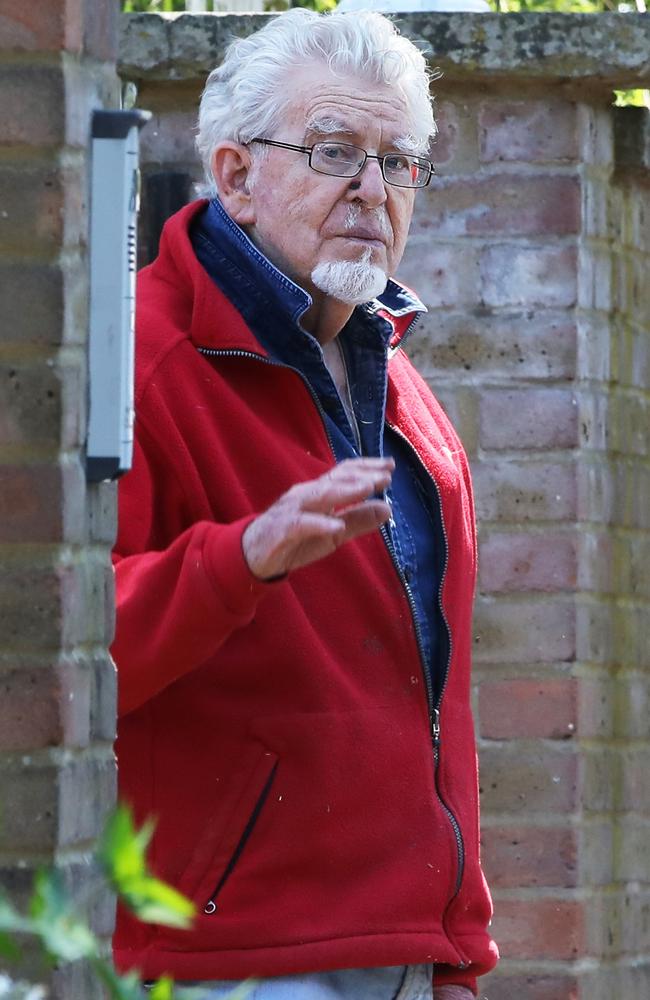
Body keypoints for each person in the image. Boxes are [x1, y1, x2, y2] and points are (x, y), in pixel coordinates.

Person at [111, 9, 498, 999]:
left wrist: (457, 946)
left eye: (396, 161)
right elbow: (56, 656)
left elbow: (430, 696)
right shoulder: (137, 367)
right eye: (335, 153)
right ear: (235, 175)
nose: (372, 191)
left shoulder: (395, 376)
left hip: (403, 949)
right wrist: (240, 560)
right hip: (230, 963)